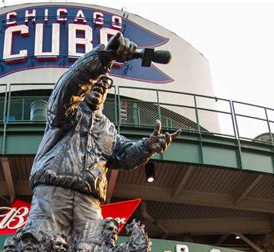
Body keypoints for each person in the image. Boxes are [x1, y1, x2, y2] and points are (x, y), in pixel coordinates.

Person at [24, 31, 180, 241]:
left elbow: (125, 155)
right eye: (95, 83)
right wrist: (103, 58)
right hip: (52, 195)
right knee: (37, 249)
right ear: (86, 87)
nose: (100, 86)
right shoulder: (66, 110)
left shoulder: (108, 128)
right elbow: (68, 87)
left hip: (89, 203)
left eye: (105, 85)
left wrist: (147, 146)